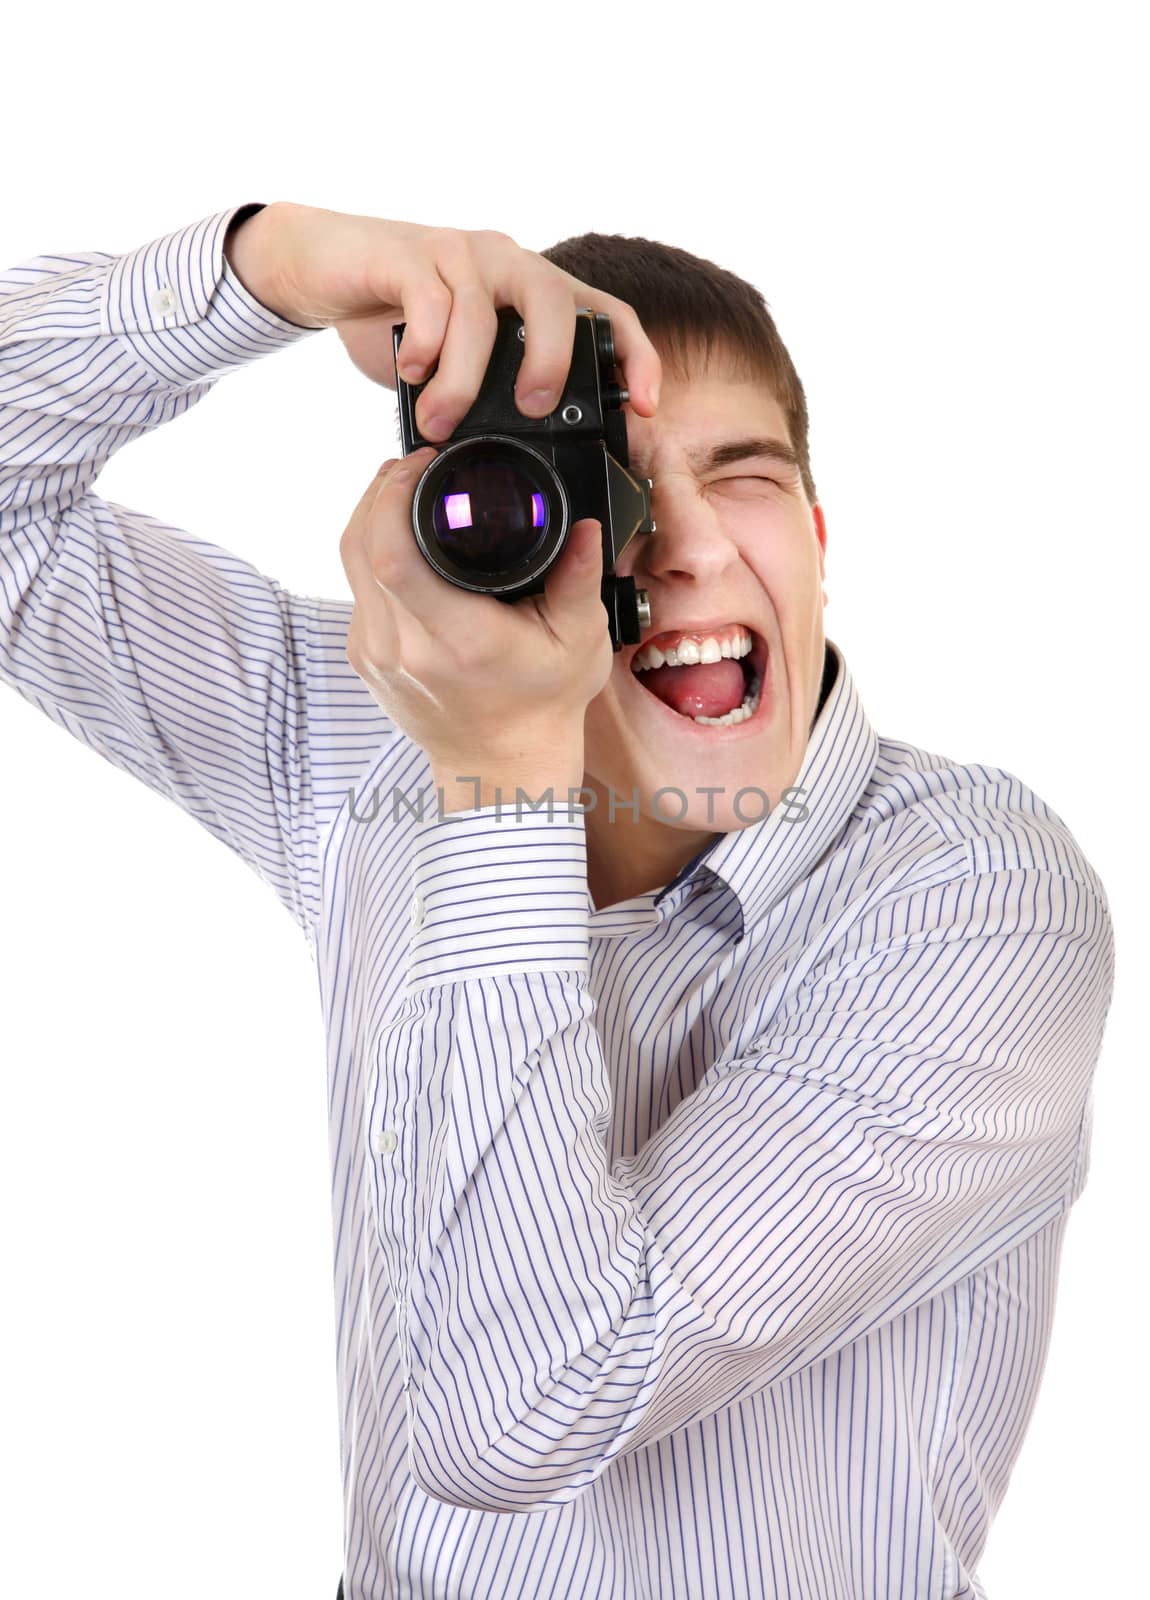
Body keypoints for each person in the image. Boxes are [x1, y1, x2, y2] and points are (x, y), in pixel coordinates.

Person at [0, 200, 1114, 1600]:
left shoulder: (977, 900)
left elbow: (520, 1412)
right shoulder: (367, 748)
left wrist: (501, 781)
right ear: (475, 530)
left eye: (744, 475)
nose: (688, 546)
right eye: (617, 488)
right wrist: (267, 268)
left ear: (821, 537)